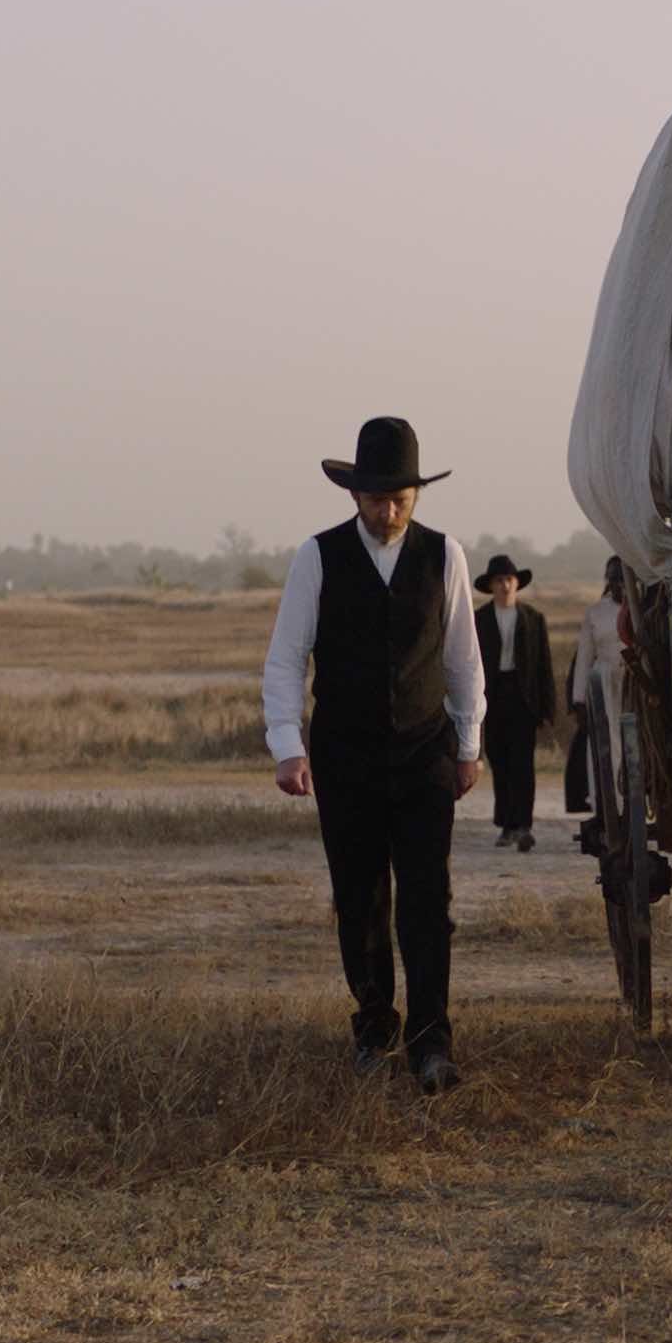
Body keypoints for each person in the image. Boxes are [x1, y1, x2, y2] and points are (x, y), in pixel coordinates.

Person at [262, 417, 486, 1091]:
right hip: (344, 756)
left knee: (427, 899)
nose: (389, 511)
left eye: (401, 499)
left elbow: (463, 661)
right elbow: (285, 659)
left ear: (416, 495)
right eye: (378, 498)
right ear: (355, 495)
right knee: (360, 901)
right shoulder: (317, 556)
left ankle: (431, 1043)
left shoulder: (445, 555)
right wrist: (286, 745)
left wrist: (469, 745)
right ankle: (374, 1029)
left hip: (424, 754)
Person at [472, 555, 556, 853]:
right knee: (500, 762)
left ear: (517, 583)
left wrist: (547, 710)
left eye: (509, 579)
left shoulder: (534, 619)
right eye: (499, 580)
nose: (505, 585)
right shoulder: (479, 620)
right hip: (492, 698)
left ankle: (524, 826)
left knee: (523, 765)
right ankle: (506, 825)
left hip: (523, 700)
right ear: (491, 586)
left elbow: (544, 666)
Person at [564, 556, 628, 839]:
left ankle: (633, 807)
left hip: (634, 684)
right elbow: (585, 658)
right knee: (606, 748)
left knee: (632, 747)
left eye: (624, 579)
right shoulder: (596, 613)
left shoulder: (643, 609)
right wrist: (579, 700)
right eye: (613, 579)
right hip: (604, 685)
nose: (618, 585)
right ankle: (608, 807)